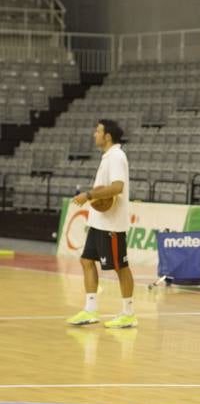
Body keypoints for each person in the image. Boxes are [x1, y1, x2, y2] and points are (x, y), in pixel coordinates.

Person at [66, 119, 137, 329]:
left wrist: (88, 195)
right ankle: (90, 310)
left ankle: (128, 314)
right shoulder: (108, 156)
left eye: (97, 131)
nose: (94, 134)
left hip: (112, 225)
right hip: (99, 222)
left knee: (120, 267)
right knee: (86, 261)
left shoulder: (117, 156)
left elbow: (117, 187)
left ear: (107, 136)